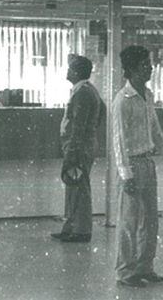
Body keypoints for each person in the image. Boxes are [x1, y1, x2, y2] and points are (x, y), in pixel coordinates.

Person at [112, 45, 163, 288]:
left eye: (149, 64)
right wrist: (125, 173)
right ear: (131, 69)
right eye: (144, 65)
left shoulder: (147, 96)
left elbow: (156, 129)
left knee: (150, 220)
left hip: (148, 163)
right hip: (131, 165)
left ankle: (145, 266)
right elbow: (118, 141)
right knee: (129, 222)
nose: (149, 69)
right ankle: (125, 271)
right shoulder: (122, 100)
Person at [51, 55, 105, 243]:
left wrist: (72, 151)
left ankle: (81, 230)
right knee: (74, 187)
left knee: (79, 188)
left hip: (78, 147)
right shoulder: (88, 90)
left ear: (75, 72)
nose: (67, 71)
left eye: (70, 68)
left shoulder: (82, 92)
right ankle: (71, 226)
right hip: (83, 145)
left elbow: (78, 126)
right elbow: (100, 114)